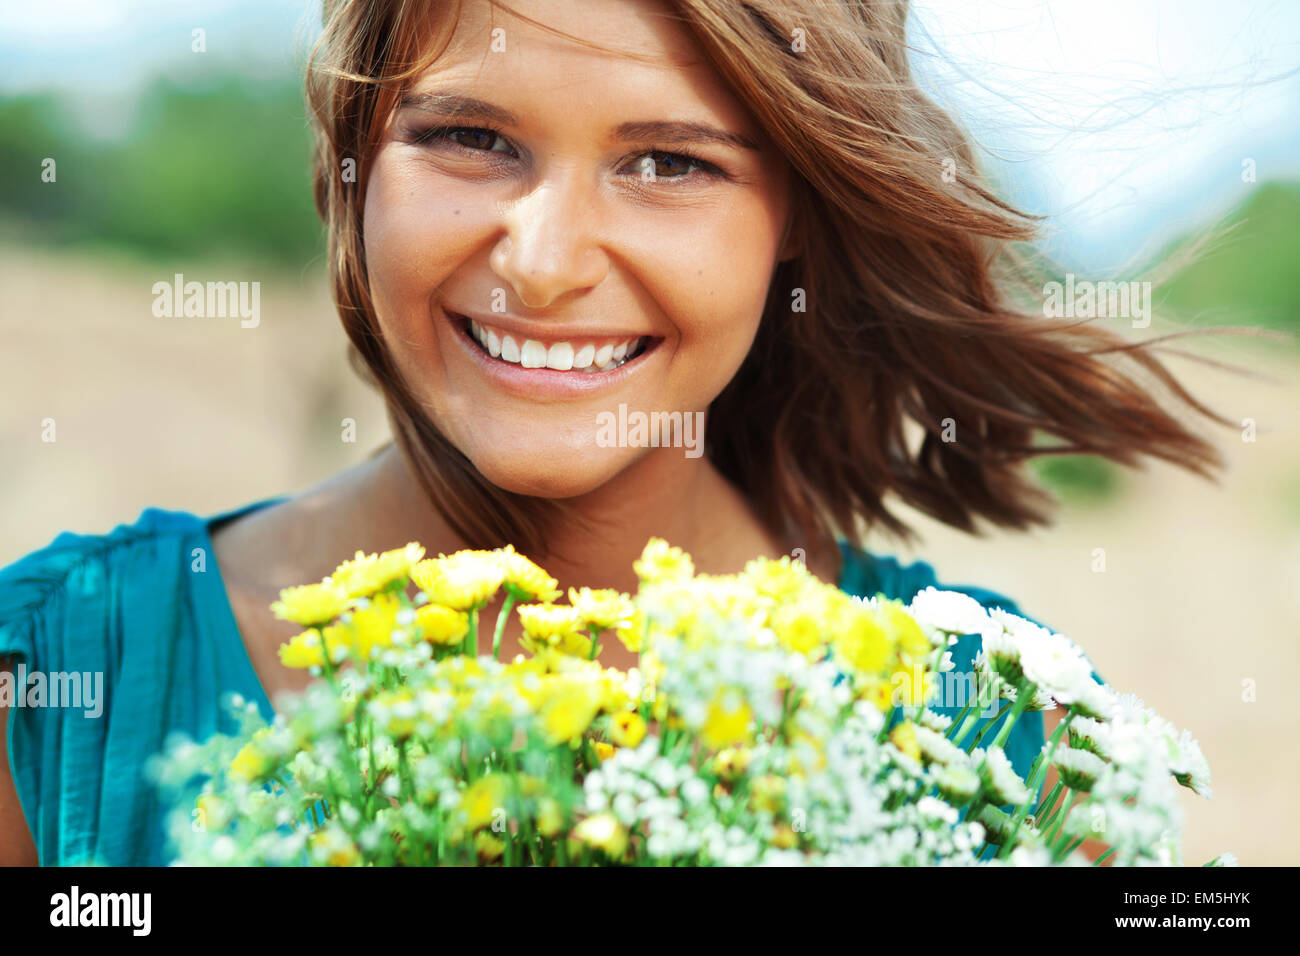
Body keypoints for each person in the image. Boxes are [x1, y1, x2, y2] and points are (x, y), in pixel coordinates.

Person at [0, 0, 1228, 866]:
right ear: (350, 156)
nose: (539, 264)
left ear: (798, 208)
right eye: (470, 138)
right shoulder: (53, 689)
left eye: (667, 163)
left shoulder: (1005, 740)